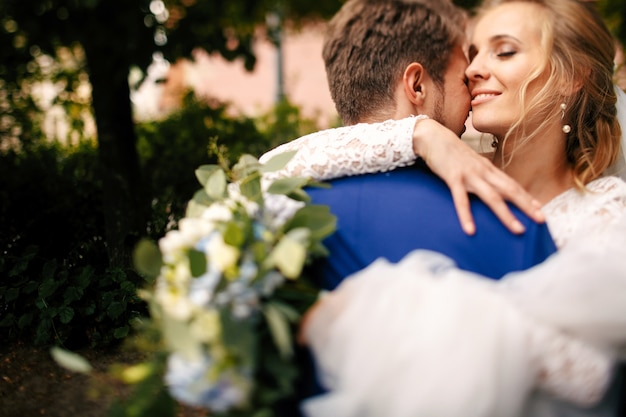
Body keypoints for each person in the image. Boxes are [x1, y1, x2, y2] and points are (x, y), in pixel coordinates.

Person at [260, 0, 626, 416]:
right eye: (471, 55)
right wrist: (414, 132)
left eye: (503, 51)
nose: (472, 70)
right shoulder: (440, 171)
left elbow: (592, 373)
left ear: (571, 77)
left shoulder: (605, 212)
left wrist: (381, 309)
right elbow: (269, 172)